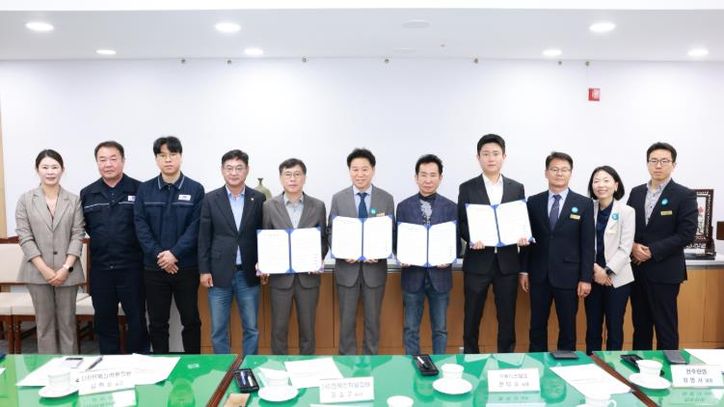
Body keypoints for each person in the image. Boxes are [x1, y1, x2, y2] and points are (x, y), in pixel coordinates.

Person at [458, 134, 528, 354]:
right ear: (478, 157)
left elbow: (520, 219)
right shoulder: (467, 187)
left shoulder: (516, 187)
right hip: (478, 262)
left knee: (507, 317)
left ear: (504, 157)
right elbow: (462, 222)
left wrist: (522, 236)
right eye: (486, 154)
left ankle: (506, 359)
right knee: (472, 316)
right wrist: (472, 238)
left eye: (495, 154)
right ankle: (471, 359)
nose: (491, 158)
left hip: (507, 263)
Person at [134, 136, 204, 354]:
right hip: (154, 268)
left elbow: (195, 227)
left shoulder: (195, 189)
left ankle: (194, 364)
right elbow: (141, 226)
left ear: (181, 157)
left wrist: (174, 254)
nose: (168, 160)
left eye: (173, 154)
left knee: (191, 320)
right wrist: (161, 256)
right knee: (157, 322)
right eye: (162, 155)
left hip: (186, 267)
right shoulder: (145, 189)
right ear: (156, 159)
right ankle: (161, 364)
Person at [520, 151, 594, 352]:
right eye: (554, 169)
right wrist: (524, 270)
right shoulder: (533, 202)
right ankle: (538, 363)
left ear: (571, 173)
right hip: (539, 274)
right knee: (537, 326)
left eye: (564, 170)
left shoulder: (584, 204)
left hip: (569, 276)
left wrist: (586, 278)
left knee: (567, 327)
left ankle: (566, 364)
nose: (559, 173)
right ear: (546, 173)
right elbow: (527, 239)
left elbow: (588, 244)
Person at [627, 142, 697, 350]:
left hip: (665, 272)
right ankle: (639, 365)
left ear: (673, 165)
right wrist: (633, 246)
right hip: (637, 269)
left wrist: (652, 251)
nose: (658, 165)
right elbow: (627, 226)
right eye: (654, 161)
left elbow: (686, 234)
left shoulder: (684, 194)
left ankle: (669, 366)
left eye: (664, 161)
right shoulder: (636, 192)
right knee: (640, 326)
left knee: (665, 326)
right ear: (647, 164)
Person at [81, 141, 149, 354]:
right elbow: (87, 227)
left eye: (113, 159)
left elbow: (146, 227)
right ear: (97, 163)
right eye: (102, 160)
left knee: (137, 319)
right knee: (104, 321)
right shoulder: (87, 193)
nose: (108, 164)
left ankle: (138, 362)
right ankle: (109, 363)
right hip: (101, 269)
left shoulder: (140, 189)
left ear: (123, 161)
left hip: (132, 268)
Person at [15, 149, 85, 354]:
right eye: (45, 167)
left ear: (62, 169)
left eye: (55, 167)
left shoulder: (73, 200)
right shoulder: (26, 200)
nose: (50, 171)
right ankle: (47, 367)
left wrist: (65, 268)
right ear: (37, 169)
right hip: (37, 272)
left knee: (68, 324)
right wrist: (44, 269)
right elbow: (24, 237)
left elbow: (77, 235)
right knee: (44, 325)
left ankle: (71, 366)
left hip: (68, 272)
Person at [198, 149, 265, 355]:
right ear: (222, 170)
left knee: (251, 328)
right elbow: (204, 237)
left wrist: (265, 265)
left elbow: (264, 235)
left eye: (239, 168)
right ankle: (224, 367)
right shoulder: (210, 199)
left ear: (247, 170)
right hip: (218, 273)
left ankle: (248, 365)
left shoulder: (258, 198)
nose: (234, 173)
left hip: (248, 273)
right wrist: (204, 270)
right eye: (229, 168)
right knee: (218, 330)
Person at [329, 148, 395, 355]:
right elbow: (331, 231)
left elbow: (391, 231)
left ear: (373, 170)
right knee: (346, 321)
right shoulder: (338, 198)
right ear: (349, 171)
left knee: (373, 321)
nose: (360, 174)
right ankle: (346, 362)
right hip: (346, 271)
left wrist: (382, 251)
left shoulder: (386, 198)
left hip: (374, 271)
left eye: (364, 169)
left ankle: (371, 361)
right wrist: (341, 251)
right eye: (355, 169)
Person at [260, 158, 328, 355]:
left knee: (308, 329)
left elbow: (323, 239)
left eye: (297, 174)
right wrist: (265, 262)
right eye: (288, 175)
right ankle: (278, 367)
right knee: (278, 329)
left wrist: (317, 258)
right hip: (280, 279)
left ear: (304, 178)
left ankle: (307, 367)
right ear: (281, 178)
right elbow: (266, 239)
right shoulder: (269, 206)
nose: (292, 179)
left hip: (308, 278)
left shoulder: (318, 206)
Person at [397, 154, 457, 355]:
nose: (428, 180)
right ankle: (412, 366)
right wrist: (401, 255)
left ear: (440, 178)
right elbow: (397, 240)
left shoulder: (451, 207)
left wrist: (449, 257)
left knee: (440, 329)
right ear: (416, 178)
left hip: (440, 277)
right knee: (410, 329)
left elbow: (456, 242)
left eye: (433, 175)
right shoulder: (403, 207)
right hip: (412, 275)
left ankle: (439, 365)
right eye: (423, 175)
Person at [584, 165, 635, 354]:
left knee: (614, 327)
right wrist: (595, 269)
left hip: (618, 278)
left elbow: (625, 248)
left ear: (616, 185)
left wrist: (606, 271)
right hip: (592, 276)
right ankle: (592, 362)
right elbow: (582, 244)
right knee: (593, 327)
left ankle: (613, 366)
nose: (601, 185)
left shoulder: (627, 211)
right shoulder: (587, 208)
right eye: (596, 181)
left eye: (606, 180)